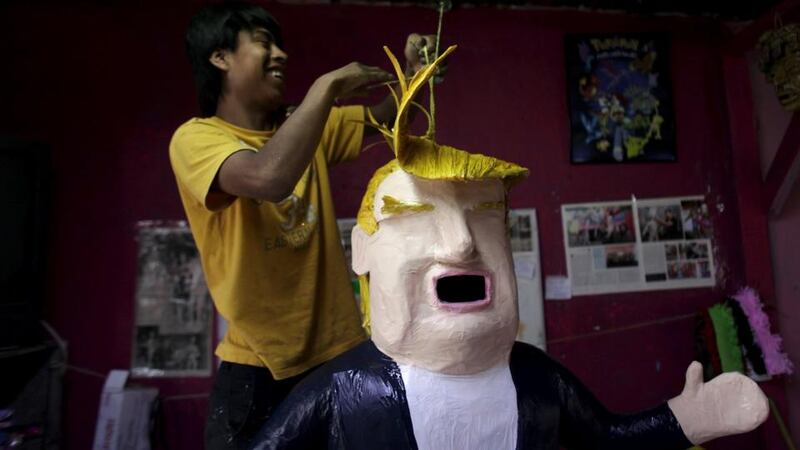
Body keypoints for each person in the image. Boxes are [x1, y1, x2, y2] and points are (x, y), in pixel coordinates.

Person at [250, 45, 768, 450]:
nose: (460, 244)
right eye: (416, 219)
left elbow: (606, 440)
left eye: (486, 216)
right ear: (361, 252)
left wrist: (683, 421)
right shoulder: (341, 389)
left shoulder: (535, 377)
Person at [169, 2, 436, 448]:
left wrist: (414, 70)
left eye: (279, 44)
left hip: (340, 351)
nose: (280, 54)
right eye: (262, 43)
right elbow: (267, 178)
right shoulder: (195, 138)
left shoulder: (304, 126)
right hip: (257, 366)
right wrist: (327, 86)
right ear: (220, 57)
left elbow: (391, 118)